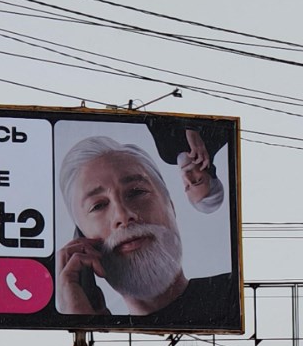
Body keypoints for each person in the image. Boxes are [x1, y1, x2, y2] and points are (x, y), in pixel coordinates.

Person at [55, 135, 237, 328]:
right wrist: (85, 327)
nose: (123, 216)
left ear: (171, 206)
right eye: (98, 205)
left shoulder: (234, 295)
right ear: (82, 241)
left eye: (136, 192)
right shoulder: (108, 336)